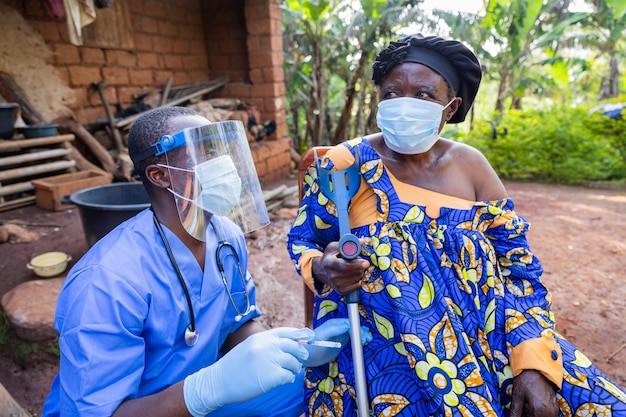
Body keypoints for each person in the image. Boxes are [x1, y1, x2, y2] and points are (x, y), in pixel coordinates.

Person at [287, 34, 626, 417]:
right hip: (393, 358)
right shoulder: (345, 165)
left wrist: (532, 361)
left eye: (424, 95)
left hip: (498, 341)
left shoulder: (473, 167)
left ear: (450, 108)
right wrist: (325, 267)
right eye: (392, 93)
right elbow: (304, 240)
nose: (405, 105)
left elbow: (521, 271)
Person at [42, 106, 370, 417]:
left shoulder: (224, 235)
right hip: (147, 408)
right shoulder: (106, 281)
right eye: (205, 153)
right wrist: (206, 389)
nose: (223, 163)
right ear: (159, 175)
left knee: (315, 386)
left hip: (203, 399)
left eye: (219, 149)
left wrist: (294, 349)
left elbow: (238, 322)